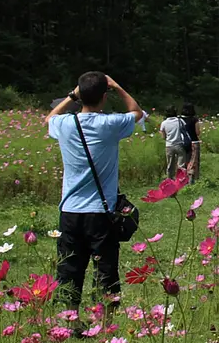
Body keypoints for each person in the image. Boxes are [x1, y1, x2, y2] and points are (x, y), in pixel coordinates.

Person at [44, 72, 145, 312]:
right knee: (106, 270)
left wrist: (72, 95)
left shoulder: (65, 124)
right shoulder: (110, 124)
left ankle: (69, 321)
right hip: (101, 211)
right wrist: (118, 86)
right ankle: (103, 324)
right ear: (104, 96)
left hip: (70, 211)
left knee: (69, 269)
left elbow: (49, 118)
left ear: (80, 95)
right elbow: (137, 112)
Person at [159, 107, 188, 179]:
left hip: (169, 146)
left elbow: (163, 137)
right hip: (180, 145)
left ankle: (170, 180)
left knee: (170, 165)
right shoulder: (180, 121)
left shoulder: (164, 123)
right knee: (181, 165)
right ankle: (181, 180)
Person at [182, 102, 201, 181]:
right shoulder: (194, 119)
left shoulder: (180, 119)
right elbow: (197, 132)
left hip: (183, 142)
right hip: (194, 142)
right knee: (193, 161)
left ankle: (183, 178)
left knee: (184, 160)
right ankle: (192, 179)